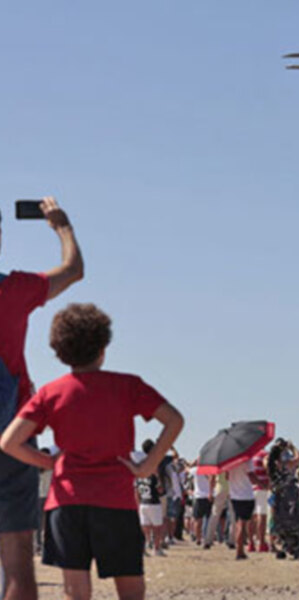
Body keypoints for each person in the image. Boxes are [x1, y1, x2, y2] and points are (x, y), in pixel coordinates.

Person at [0, 303, 183, 600]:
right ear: (103, 346)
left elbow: (9, 441)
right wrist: (148, 465)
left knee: (76, 593)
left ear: (60, 351)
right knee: (131, 591)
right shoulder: (127, 386)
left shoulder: (51, 392)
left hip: (67, 502)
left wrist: (46, 461)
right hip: (115, 500)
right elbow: (174, 420)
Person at [0, 197, 84, 600]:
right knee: (18, 566)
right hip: (12, 432)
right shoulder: (14, 289)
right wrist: (62, 227)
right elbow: (73, 271)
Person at [136, 440, 166, 557]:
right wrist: (159, 481)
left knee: (144, 528)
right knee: (157, 527)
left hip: (143, 501)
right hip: (153, 501)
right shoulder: (154, 465)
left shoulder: (140, 464)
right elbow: (159, 489)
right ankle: (157, 549)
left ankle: (143, 549)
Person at [227, 460, 259, 560]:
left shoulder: (230, 462)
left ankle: (240, 550)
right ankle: (240, 551)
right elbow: (252, 477)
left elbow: (227, 477)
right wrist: (261, 483)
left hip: (234, 495)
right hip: (246, 494)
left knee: (238, 523)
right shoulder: (247, 461)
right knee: (243, 523)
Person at [249, 447, 270, 553]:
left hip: (250, 488)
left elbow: (249, 474)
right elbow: (269, 469)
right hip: (262, 487)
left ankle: (251, 543)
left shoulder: (250, 456)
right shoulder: (265, 454)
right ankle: (261, 542)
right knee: (262, 514)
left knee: (252, 516)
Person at [189, 462, 212, 547]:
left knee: (197, 519)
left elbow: (187, 469)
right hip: (208, 496)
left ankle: (198, 538)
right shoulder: (209, 470)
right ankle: (206, 537)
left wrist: (193, 463)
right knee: (208, 518)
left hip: (198, 496)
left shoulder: (195, 470)